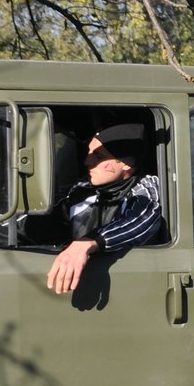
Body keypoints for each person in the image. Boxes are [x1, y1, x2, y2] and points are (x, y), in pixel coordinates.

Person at [46, 123, 163, 295]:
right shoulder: (81, 189)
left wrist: (88, 243)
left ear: (125, 164)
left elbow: (140, 221)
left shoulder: (146, 189)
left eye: (98, 156)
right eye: (89, 153)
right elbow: (45, 217)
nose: (87, 161)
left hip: (132, 293)